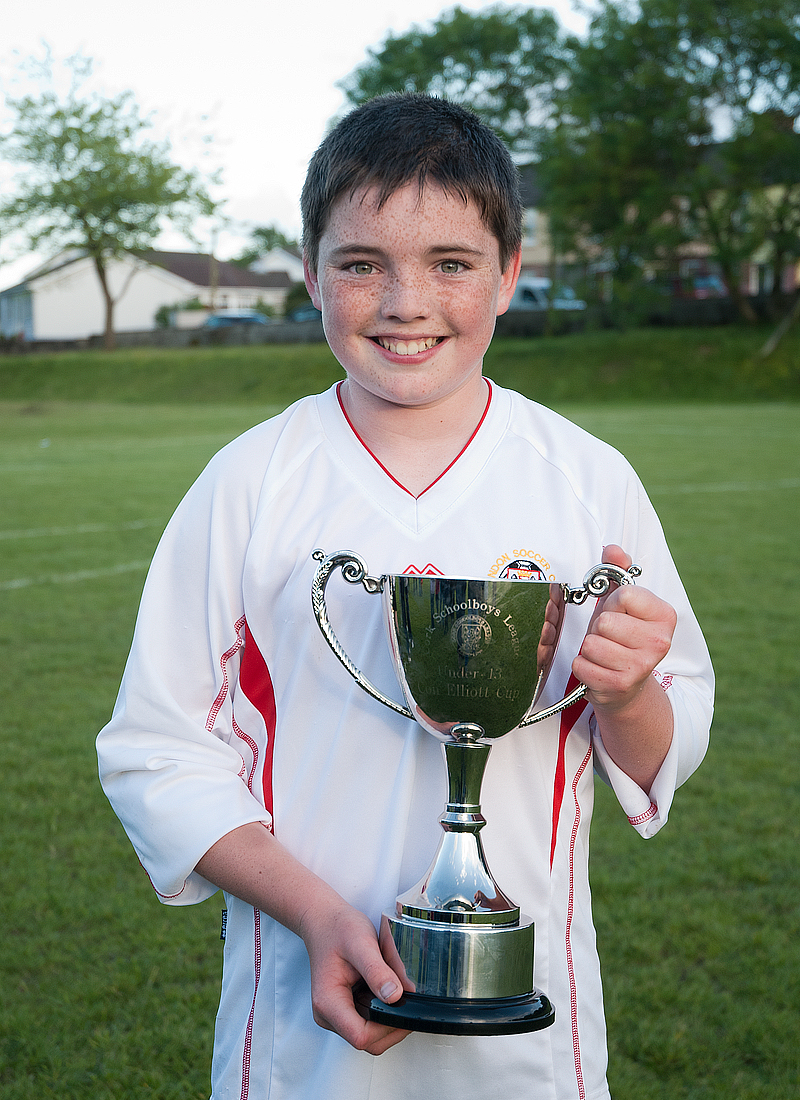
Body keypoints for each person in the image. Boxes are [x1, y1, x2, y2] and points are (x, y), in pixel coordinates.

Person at [97, 93, 713, 1100]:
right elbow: (156, 749)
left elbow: (660, 746)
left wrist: (628, 688)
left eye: (450, 263)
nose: (403, 300)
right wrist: (315, 911)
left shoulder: (587, 480)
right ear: (310, 273)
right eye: (360, 263)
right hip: (303, 1035)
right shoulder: (251, 482)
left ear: (509, 275)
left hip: (529, 1042)